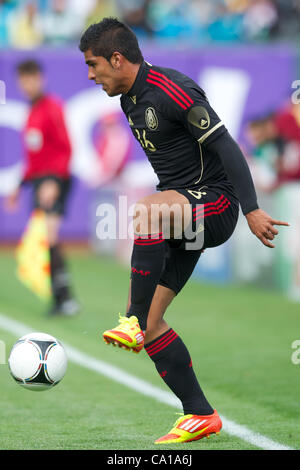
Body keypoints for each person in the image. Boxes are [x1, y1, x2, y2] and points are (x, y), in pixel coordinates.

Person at [79, 18, 289, 444]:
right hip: (182, 215)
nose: (90, 74)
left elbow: (225, 145)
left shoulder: (172, 89)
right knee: (155, 323)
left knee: (147, 212)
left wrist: (250, 209)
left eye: (93, 64)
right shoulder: (128, 100)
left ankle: (132, 321)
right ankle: (200, 413)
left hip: (216, 203)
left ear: (117, 59)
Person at [6, 59, 79, 316]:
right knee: (45, 239)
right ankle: (61, 297)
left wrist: (54, 181)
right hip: (39, 181)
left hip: (53, 180)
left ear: (40, 78)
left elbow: (65, 147)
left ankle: (64, 299)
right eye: (23, 80)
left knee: (50, 237)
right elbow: (33, 157)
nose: (27, 84)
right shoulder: (32, 112)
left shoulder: (52, 108)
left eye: (31, 78)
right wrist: (19, 185)